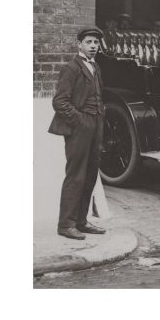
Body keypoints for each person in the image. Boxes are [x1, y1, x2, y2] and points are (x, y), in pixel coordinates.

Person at [48, 26, 108, 240]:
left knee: (91, 173)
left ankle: (81, 222)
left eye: (96, 43)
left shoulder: (95, 67)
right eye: (89, 42)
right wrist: (81, 121)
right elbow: (60, 102)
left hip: (96, 124)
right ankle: (66, 224)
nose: (93, 46)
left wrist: (98, 121)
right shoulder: (71, 68)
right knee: (76, 175)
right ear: (80, 44)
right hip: (80, 127)